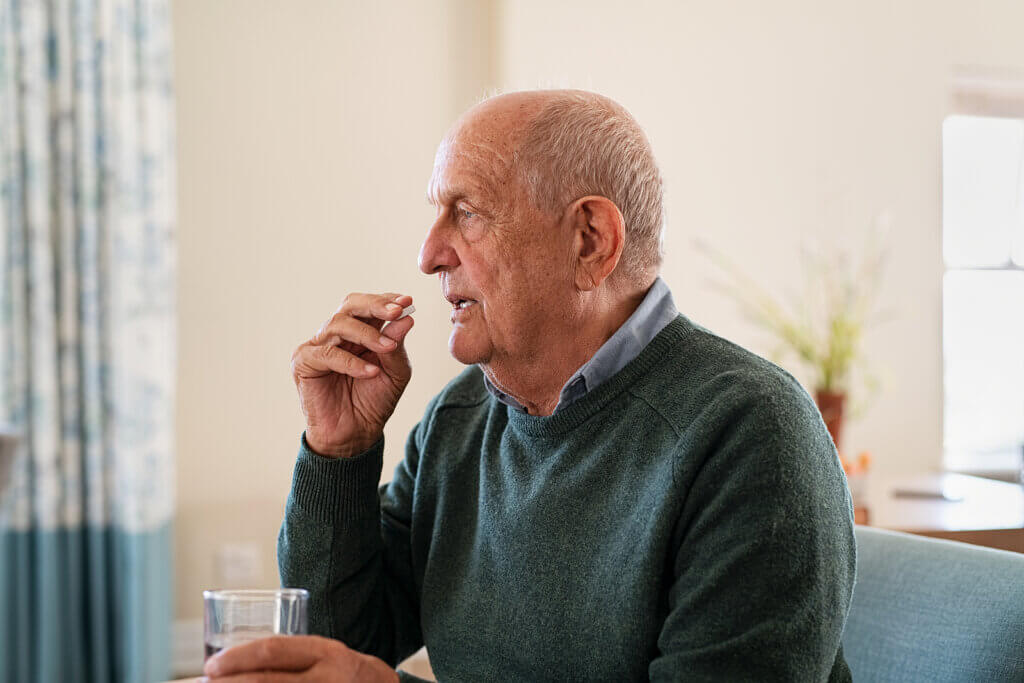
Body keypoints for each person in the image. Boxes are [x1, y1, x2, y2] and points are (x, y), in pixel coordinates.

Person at [203, 90, 856, 682]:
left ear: (590, 240)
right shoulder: (459, 417)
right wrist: (339, 453)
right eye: (437, 213)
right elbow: (344, 646)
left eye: (467, 213)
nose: (428, 255)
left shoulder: (753, 431)